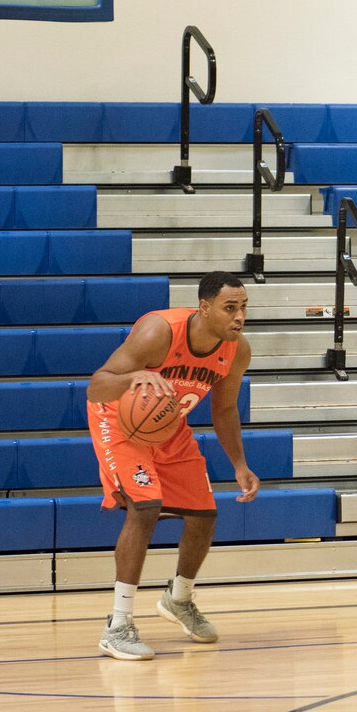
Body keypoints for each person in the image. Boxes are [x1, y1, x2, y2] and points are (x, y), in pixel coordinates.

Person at [86, 271, 258, 660]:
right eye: (230, 308)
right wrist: (136, 376)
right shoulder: (158, 331)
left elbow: (226, 408)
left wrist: (239, 464)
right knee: (145, 507)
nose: (239, 317)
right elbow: (97, 385)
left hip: (167, 424)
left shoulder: (236, 350)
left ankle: (179, 599)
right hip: (119, 420)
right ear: (204, 307)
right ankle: (118, 624)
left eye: (244, 307)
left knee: (204, 514)